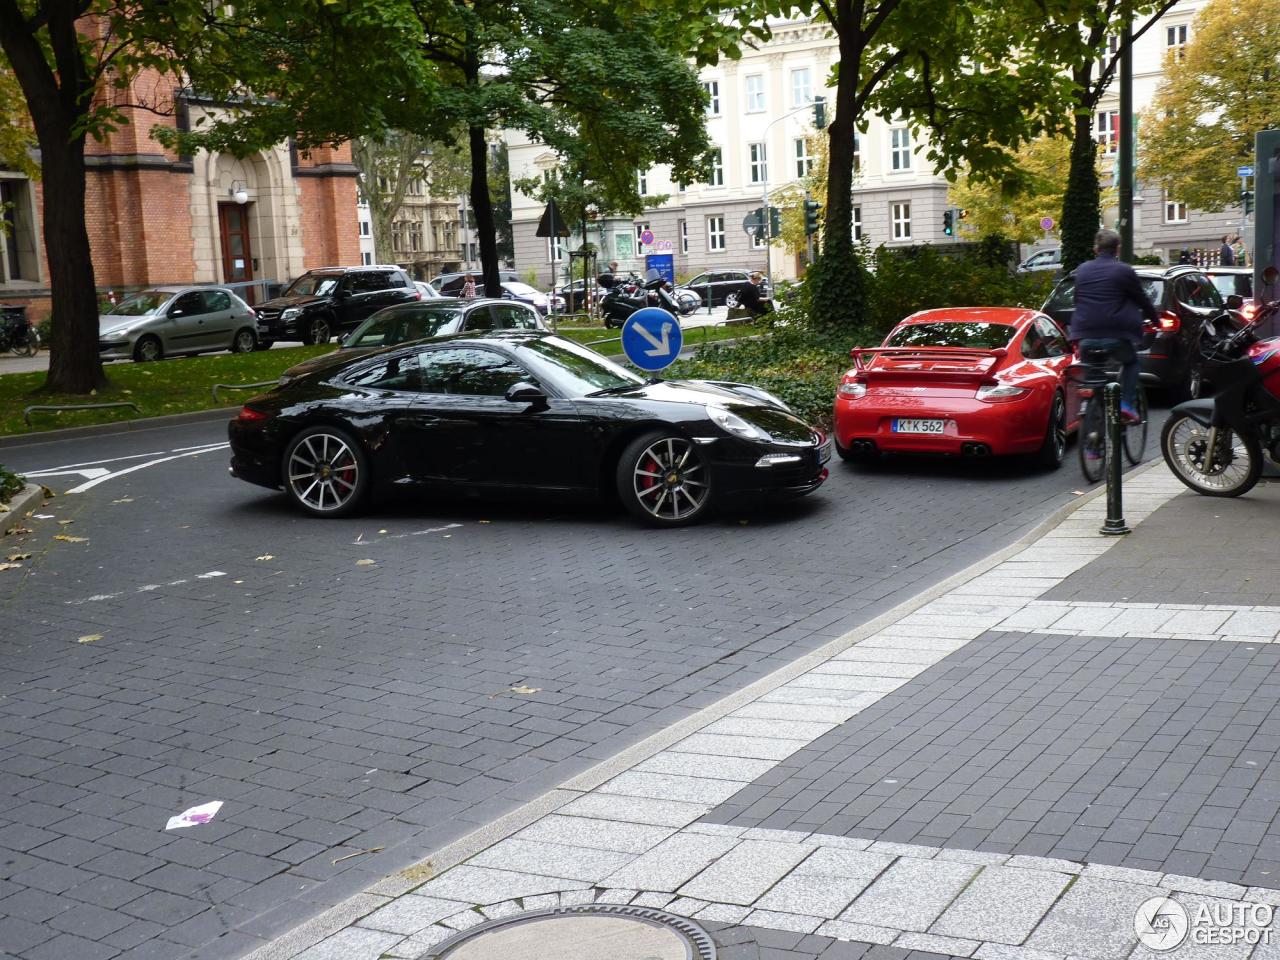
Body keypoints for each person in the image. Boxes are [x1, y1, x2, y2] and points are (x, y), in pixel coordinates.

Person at [1068, 228, 1158, 425]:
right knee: (1131, 363)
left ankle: (1091, 442)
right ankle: (1126, 404)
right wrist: (1156, 320)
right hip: (1116, 334)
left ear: (1095, 249)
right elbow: (1142, 299)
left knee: (1093, 381)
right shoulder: (1124, 271)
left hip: (1085, 334)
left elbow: (1077, 299)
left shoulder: (1082, 270)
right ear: (1117, 249)